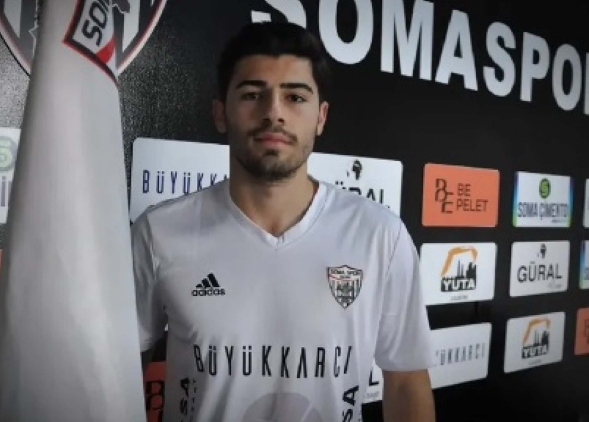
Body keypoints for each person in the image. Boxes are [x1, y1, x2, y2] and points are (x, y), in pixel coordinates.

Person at [132, 21, 436, 422]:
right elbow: (116, 372)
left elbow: (406, 382)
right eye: (252, 94)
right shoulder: (159, 232)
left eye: (295, 97)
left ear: (321, 117)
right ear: (221, 113)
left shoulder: (380, 236)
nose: (273, 112)